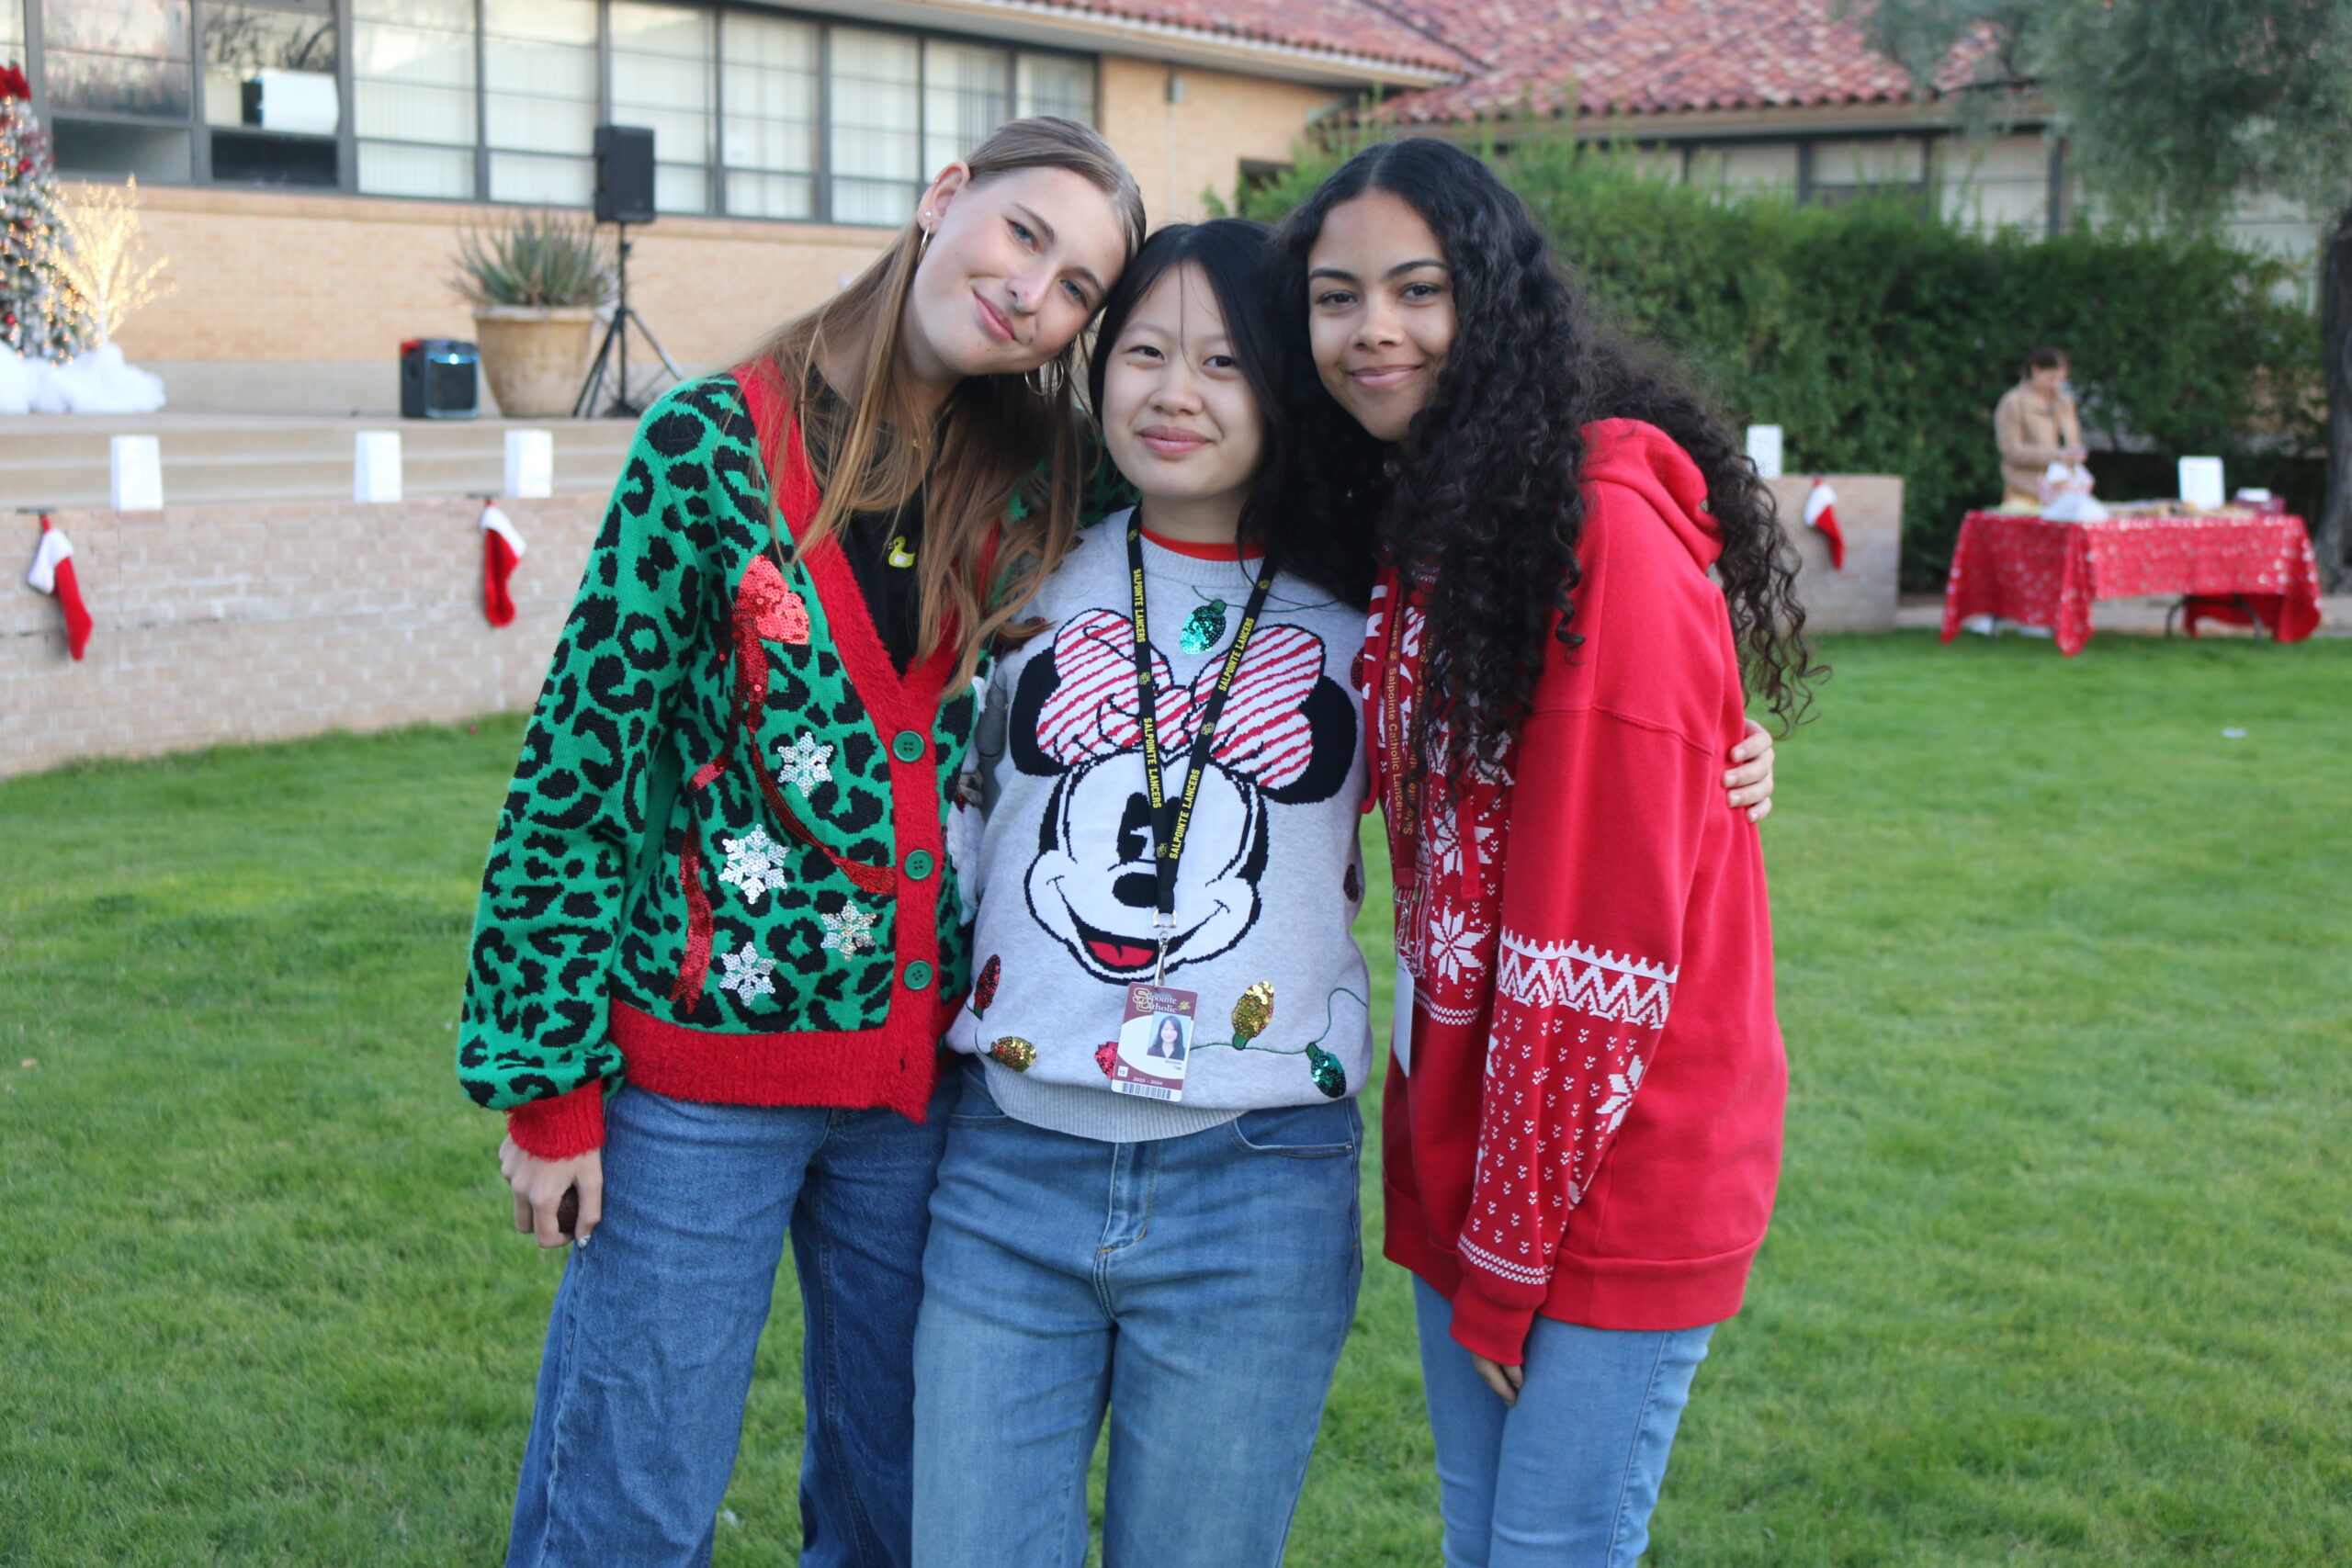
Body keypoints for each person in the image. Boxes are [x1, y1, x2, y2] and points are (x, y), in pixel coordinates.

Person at [457, 117, 1142, 1568]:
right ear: (944, 195)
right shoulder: (709, 445)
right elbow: (582, 768)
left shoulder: (1051, 487)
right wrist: (549, 1091)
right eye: (1026, 235)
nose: (1037, 291)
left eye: (1081, 285)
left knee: (909, 1500)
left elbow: (1266, 491)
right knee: (631, 1499)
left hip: (923, 1094)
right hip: (699, 1087)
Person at [1271, 139, 1817, 1567]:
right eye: (1335, 298)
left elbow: (1599, 942)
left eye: (1415, 289)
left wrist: (1507, 1263)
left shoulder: (1600, 534)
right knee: (1489, 1541)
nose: (1370, 329)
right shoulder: (1440, 519)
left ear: (1494, 302)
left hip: (1608, 1160)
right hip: (1484, 1130)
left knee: (1553, 1547)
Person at [1994, 347, 2086, 507]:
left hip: (2064, 491)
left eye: (2060, 380)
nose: (2055, 385)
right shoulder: (2013, 402)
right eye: (2050, 378)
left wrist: (2075, 454)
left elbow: (2073, 439)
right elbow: (2011, 450)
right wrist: (2056, 456)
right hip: (2025, 491)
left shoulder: (2064, 402)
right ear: (2035, 370)